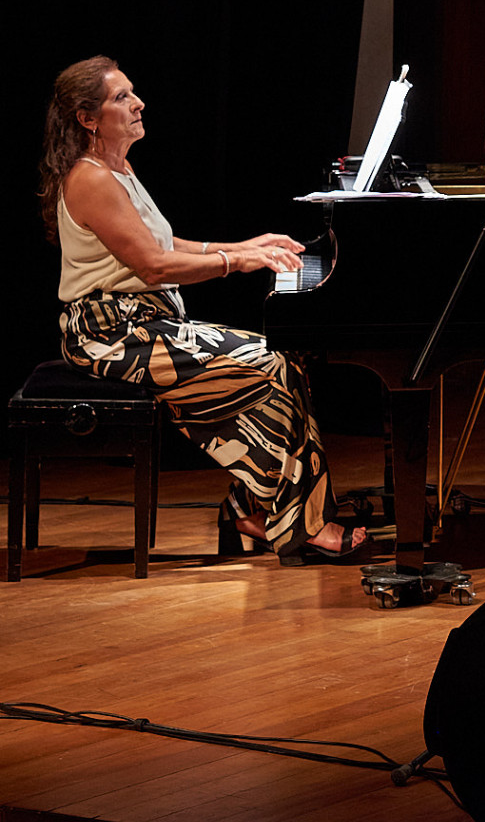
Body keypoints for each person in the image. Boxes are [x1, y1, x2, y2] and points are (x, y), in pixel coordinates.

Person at [39, 56, 368, 565]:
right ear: (88, 119)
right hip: (110, 334)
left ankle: (251, 510)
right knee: (271, 365)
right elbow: (152, 265)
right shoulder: (91, 179)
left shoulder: (119, 169)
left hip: (146, 325)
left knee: (284, 361)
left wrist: (245, 244)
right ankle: (300, 522)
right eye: (122, 97)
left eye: (133, 92)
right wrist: (237, 262)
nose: (138, 103)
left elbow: (165, 243)